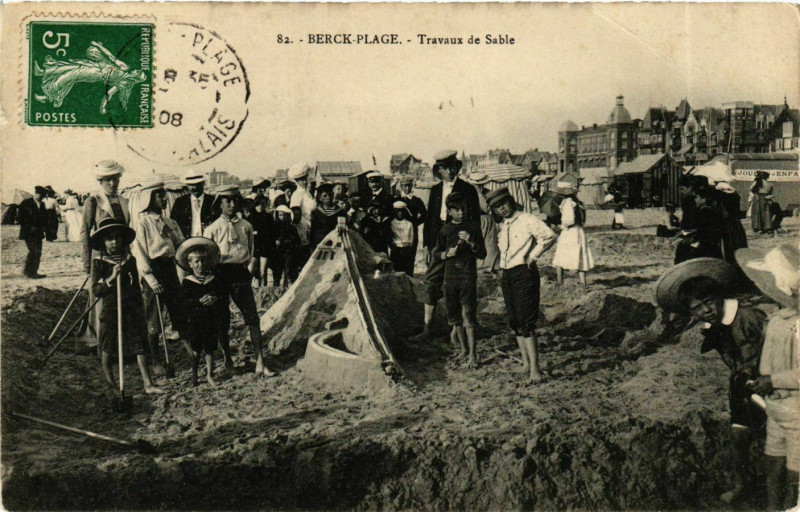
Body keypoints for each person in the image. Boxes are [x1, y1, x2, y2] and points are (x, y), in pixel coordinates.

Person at [655, 258, 767, 504]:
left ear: (719, 298)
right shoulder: (713, 327)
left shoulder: (749, 318)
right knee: (738, 437)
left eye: (708, 302)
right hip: (742, 385)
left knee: (773, 438)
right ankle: (743, 484)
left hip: (769, 383)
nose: (706, 310)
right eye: (697, 308)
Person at [737, 244, 799, 510]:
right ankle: (774, 507)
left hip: (796, 408)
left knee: (796, 471)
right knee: (773, 459)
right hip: (776, 406)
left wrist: (771, 380)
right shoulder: (777, 319)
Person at [204, 185, 275, 376]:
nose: (231, 204)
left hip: (240, 274)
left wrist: (248, 269)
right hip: (219, 275)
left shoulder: (246, 226)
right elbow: (208, 257)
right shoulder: (212, 229)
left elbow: (251, 251)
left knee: (252, 317)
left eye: (234, 199)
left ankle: (260, 361)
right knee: (222, 319)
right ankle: (228, 361)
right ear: (219, 204)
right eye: (227, 200)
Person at [487, 187, 556, 382]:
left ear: (511, 201)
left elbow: (549, 236)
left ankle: (536, 369)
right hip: (508, 274)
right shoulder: (504, 225)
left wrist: (532, 256)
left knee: (526, 321)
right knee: (515, 321)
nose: (502, 209)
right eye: (497, 207)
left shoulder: (526, 219)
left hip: (524, 273)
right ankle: (525, 364)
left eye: (503, 204)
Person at [88, 218, 163, 394]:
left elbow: (136, 288)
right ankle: (110, 382)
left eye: (117, 237)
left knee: (139, 344)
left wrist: (139, 308)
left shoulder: (130, 259)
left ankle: (148, 383)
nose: (114, 242)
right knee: (108, 345)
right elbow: (96, 290)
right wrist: (111, 278)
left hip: (130, 308)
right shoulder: (99, 263)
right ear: (103, 241)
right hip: (110, 309)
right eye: (109, 238)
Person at [413, 150, 480, 342]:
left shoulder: (468, 190)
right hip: (438, 242)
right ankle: (427, 328)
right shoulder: (435, 191)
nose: (448, 171)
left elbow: (474, 221)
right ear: (438, 170)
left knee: (457, 284)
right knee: (432, 283)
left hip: (459, 241)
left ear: (457, 167)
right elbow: (429, 221)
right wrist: (427, 246)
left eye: (452, 167)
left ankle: (456, 331)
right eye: (444, 168)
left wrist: (468, 243)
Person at [130, 180, 189, 375]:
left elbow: (181, 246)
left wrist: (171, 234)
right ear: (149, 198)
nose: (164, 198)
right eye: (159, 195)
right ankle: (155, 360)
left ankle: (191, 352)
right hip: (153, 272)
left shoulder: (170, 222)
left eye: (164, 195)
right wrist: (151, 280)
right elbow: (140, 253)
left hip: (170, 270)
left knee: (179, 310)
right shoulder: (142, 223)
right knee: (153, 318)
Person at [79, 160, 130, 353]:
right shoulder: (94, 201)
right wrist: (86, 260)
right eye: (107, 180)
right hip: (100, 256)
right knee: (101, 298)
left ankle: (122, 344)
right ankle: (99, 342)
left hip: (122, 255)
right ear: (100, 182)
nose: (112, 184)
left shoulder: (124, 201)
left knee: (122, 296)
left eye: (115, 179)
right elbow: (85, 231)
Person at [431, 192, 486, 368]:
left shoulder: (473, 227)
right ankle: (463, 350)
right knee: (455, 317)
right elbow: (435, 254)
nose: (461, 213)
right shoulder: (445, 230)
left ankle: (473, 355)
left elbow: (482, 253)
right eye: (457, 210)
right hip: (450, 278)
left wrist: (470, 242)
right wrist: (446, 254)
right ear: (449, 211)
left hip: (467, 277)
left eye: (463, 209)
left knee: (468, 315)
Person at [176, 237, 224, 387]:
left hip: (210, 319)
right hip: (195, 321)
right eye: (196, 261)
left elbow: (221, 295)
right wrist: (198, 301)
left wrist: (214, 298)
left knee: (210, 348)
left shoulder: (213, 279)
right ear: (190, 264)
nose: (200, 264)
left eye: (203, 260)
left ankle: (210, 374)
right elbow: (183, 303)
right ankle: (195, 375)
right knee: (196, 350)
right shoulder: (188, 282)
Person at [551, 181, 593, 285]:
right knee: (579, 254)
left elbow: (569, 220)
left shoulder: (567, 203)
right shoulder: (577, 203)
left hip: (569, 232)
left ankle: (560, 281)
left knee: (560, 255)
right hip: (578, 231)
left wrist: (561, 226)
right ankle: (583, 281)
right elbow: (581, 220)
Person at [467, 172, 500, 274]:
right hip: (474, 221)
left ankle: (492, 266)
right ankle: (480, 267)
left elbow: (486, 208)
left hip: (487, 221)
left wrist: (479, 193)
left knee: (490, 244)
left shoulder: (488, 193)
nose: (480, 187)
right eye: (477, 185)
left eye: (481, 185)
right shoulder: (468, 193)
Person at [170, 169, 216, 239]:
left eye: (198, 184)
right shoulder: (180, 202)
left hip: (208, 243)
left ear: (203, 183)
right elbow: (173, 224)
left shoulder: (213, 201)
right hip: (187, 243)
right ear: (187, 185)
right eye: (191, 185)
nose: (195, 188)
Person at [395, 174, 427, 274]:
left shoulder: (417, 201)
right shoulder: (397, 200)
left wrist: (414, 222)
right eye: (405, 186)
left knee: (410, 254)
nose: (407, 188)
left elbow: (424, 216)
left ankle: (409, 276)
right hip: (398, 230)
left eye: (409, 185)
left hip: (412, 231)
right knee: (398, 255)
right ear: (401, 187)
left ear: (412, 186)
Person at [287, 163, 317, 270]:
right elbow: (295, 214)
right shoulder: (297, 194)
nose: (304, 181)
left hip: (312, 226)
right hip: (303, 228)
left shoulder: (308, 193)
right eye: (300, 180)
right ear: (296, 181)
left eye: (305, 178)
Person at [17, 186, 48, 278]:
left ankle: (32, 271)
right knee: (33, 251)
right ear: (36, 193)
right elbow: (20, 218)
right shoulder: (26, 203)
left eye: (43, 196)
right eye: (41, 195)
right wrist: (29, 226)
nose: (42, 197)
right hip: (28, 232)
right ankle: (30, 272)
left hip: (38, 233)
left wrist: (44, 228)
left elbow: (43, 218)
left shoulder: (42, 204)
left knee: (38, 251)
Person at [715, 181, 748, 264]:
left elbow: (724, 214)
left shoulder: (722, 198)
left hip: (727, 225)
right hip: (736, 225)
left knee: (728, 247)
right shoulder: (735, 196)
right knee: (738, 245)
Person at [270, 205, 301, 289]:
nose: (282, 217)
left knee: (288, 272)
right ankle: (276, 289)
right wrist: (275, 242)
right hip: (277, 254)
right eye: (280, 215)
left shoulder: (292, 228)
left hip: (288, 253)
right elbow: (270, 240)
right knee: (277, 273)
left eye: (284, 215)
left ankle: (288, 288)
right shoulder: (274, 228)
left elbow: (297, 241)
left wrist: (287, 242)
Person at [248, 196, 274, 287]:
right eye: (259, 203)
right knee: (250, 270)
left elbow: (271, 232)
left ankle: (263, 290)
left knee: (263, 272)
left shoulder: (268, 217)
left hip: (264, 246)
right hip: (254, 247)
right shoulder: (250, 217)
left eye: (263, 204)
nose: (261, 206)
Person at [389, 201, 416, 276]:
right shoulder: (391, 223)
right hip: (396, 250)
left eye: (402, 211)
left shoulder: (409, 224)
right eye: (397, 211)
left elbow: (411, 238)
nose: (400, 213)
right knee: (396, 272)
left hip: (406, 250)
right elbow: (390, 238)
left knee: (407, 272)